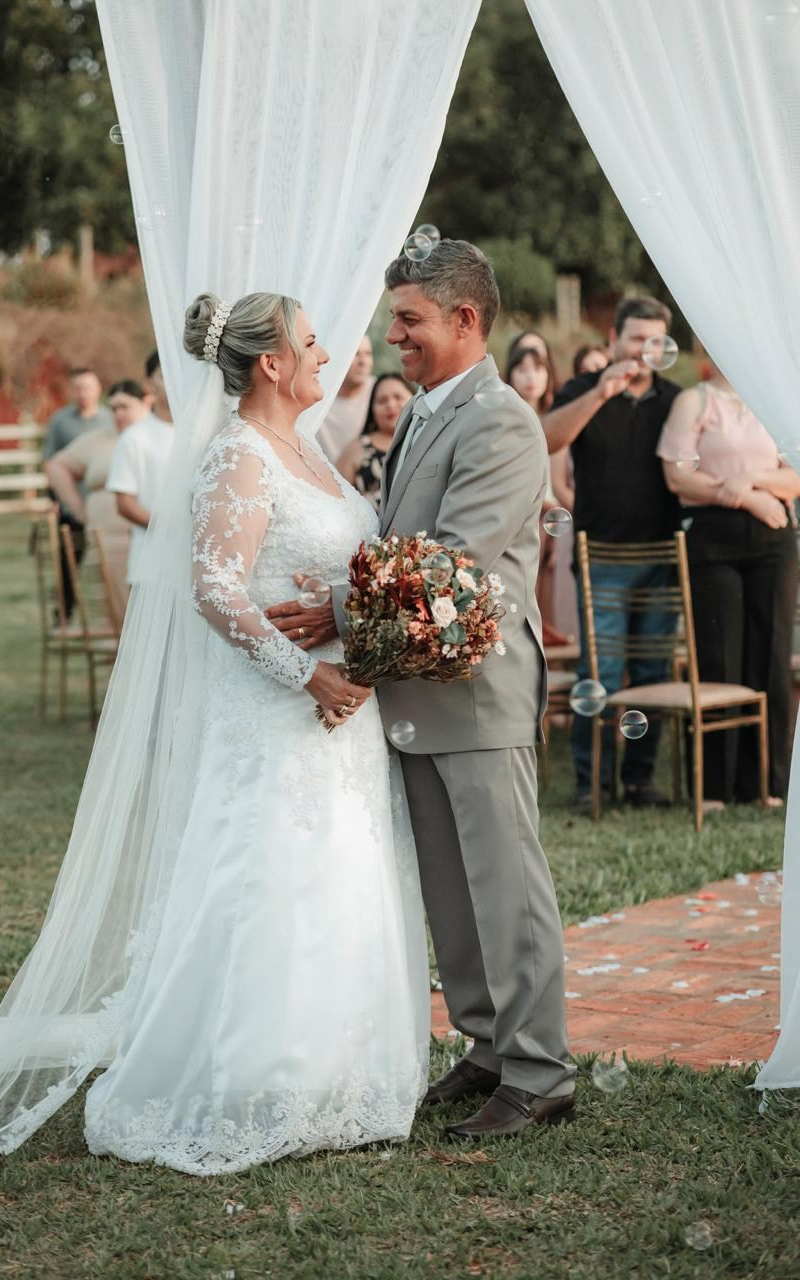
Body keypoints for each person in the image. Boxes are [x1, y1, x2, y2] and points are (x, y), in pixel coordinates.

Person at [81, 292, 428, 1171]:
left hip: (341, 711)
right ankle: (254, 1074)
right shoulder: (236, 456)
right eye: (311, 343)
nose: (327, 354)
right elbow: (215, 591)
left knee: (341, 869)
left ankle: (343, 1070)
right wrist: (306, 672)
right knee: (275, 873)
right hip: (280, 710)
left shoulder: (305, 451)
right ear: (269, 363)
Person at [267, 240, 576, 1139]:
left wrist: (331, 605)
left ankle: (540, 1070)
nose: (390, 333)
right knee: (451, 886)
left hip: (477, 692)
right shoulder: (427, 413)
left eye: (408, 318)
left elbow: (456, 565)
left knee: (505, 886)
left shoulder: (502, 422)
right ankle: (486, 1046)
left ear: (464, 320)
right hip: (417, 692)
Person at [543, 296, 681, 812]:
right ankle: (591, 784)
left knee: (651, 675)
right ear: (613, 341)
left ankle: (641, 782)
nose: (643, 351)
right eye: (634, 339)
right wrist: (602, 392)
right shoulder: (585, 388)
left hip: (663, 558)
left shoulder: (675, 399)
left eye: (655, 342)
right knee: (599, 674)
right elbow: (549, 438)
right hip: (600, 555)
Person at [658, 365, 800, 808]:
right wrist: (739, 495)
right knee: (720, 655)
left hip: (772, 540)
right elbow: (677, 477)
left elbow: (794, 478)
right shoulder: (694, 401)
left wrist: (753, 482)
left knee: (771, 656)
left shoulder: (774, 400)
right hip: (712, 540)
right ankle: (716, 786)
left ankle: (768, 785)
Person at [46, 381, 151, 613]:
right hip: (109, 540)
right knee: (117, 610)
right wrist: (77, 508)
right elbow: (57, 466)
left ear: (146, 401)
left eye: (125, 407)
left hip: (148, 535)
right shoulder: (101, 438)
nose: (118, 414)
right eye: (113, 409)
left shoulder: (158, 435)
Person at [505, 345, 570, 644]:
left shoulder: (556, 417)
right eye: (522, 368)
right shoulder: (505, 416)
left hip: (552, 511)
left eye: (538, 368)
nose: (531, 376)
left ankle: (549, 623)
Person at [42, 368, 114, 616]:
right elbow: (51, 462)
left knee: (106, 564)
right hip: (72, 506)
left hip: (105, 508)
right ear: (72, 390)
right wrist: (55, 499)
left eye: (88, 387)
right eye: (78, 387)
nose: (83, 393)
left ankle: (113, 616)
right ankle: (64, 613)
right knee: (69, 562)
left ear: (98, 390)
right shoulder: (60, 421)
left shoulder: (110, 420)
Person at [105, 389, 175, 587]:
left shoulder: (202, 428)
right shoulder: (133, 437)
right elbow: (124, 504)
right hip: (150, 559)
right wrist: (169, 528)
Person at [335, 371, 413, 509]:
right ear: (372, 409)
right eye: (382, 400)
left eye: (398, 397)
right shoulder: (358, 448)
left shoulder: (428, 438)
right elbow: (335, 499)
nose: (390, 404)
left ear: (414, 398)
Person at [315, 334, 375, 462]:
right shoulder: (317, 397)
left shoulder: (380, 394)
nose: (363, 362)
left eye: (368, 354)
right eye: (356, 353)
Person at [144, 349, 172, 422]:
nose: (174, 384)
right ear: (149, 384)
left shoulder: (200, 427)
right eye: (165, 377)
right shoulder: (138, 432)